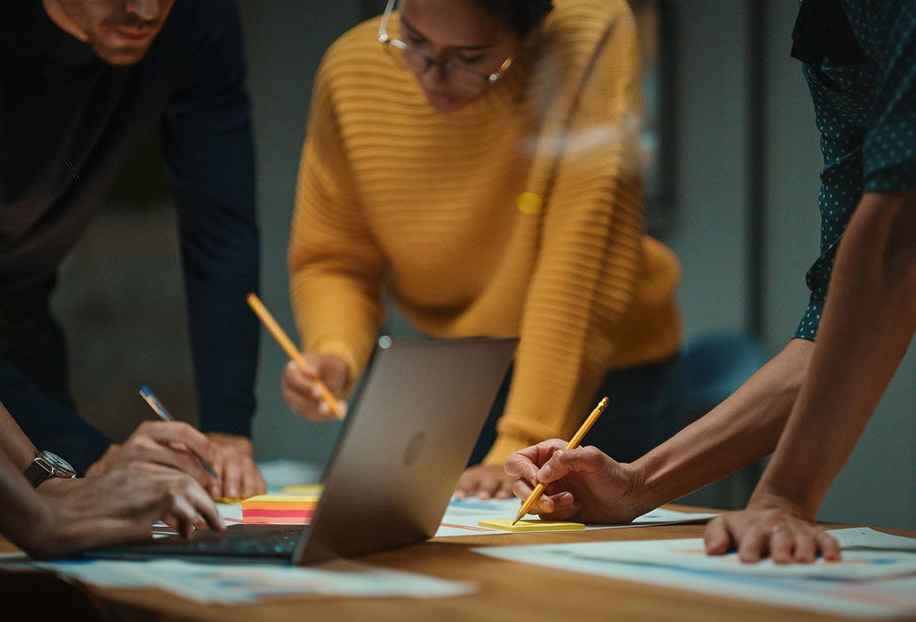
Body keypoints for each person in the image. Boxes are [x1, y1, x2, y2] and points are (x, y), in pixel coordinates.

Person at [505, 0, 916, 562]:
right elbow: (839, 325)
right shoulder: (834, 27)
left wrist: (785, 494)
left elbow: (898, 238)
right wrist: (636, 484)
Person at [281, 0, 684, 499]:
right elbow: (335, 256)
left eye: (469, 57)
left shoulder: (588, 37)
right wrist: (334, 350)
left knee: (574, 557)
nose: (433, 75)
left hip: (602, 370)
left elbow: (577, 272)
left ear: (529, 31)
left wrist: (520, 442)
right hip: (462, 366)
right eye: (413, 40)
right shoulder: (350, 70)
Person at [0, 0, 265, 499]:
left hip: (21, 329)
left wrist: (227, 432)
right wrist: (94, 456)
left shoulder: (195, 18)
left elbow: (221, 233)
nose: (145, 10)